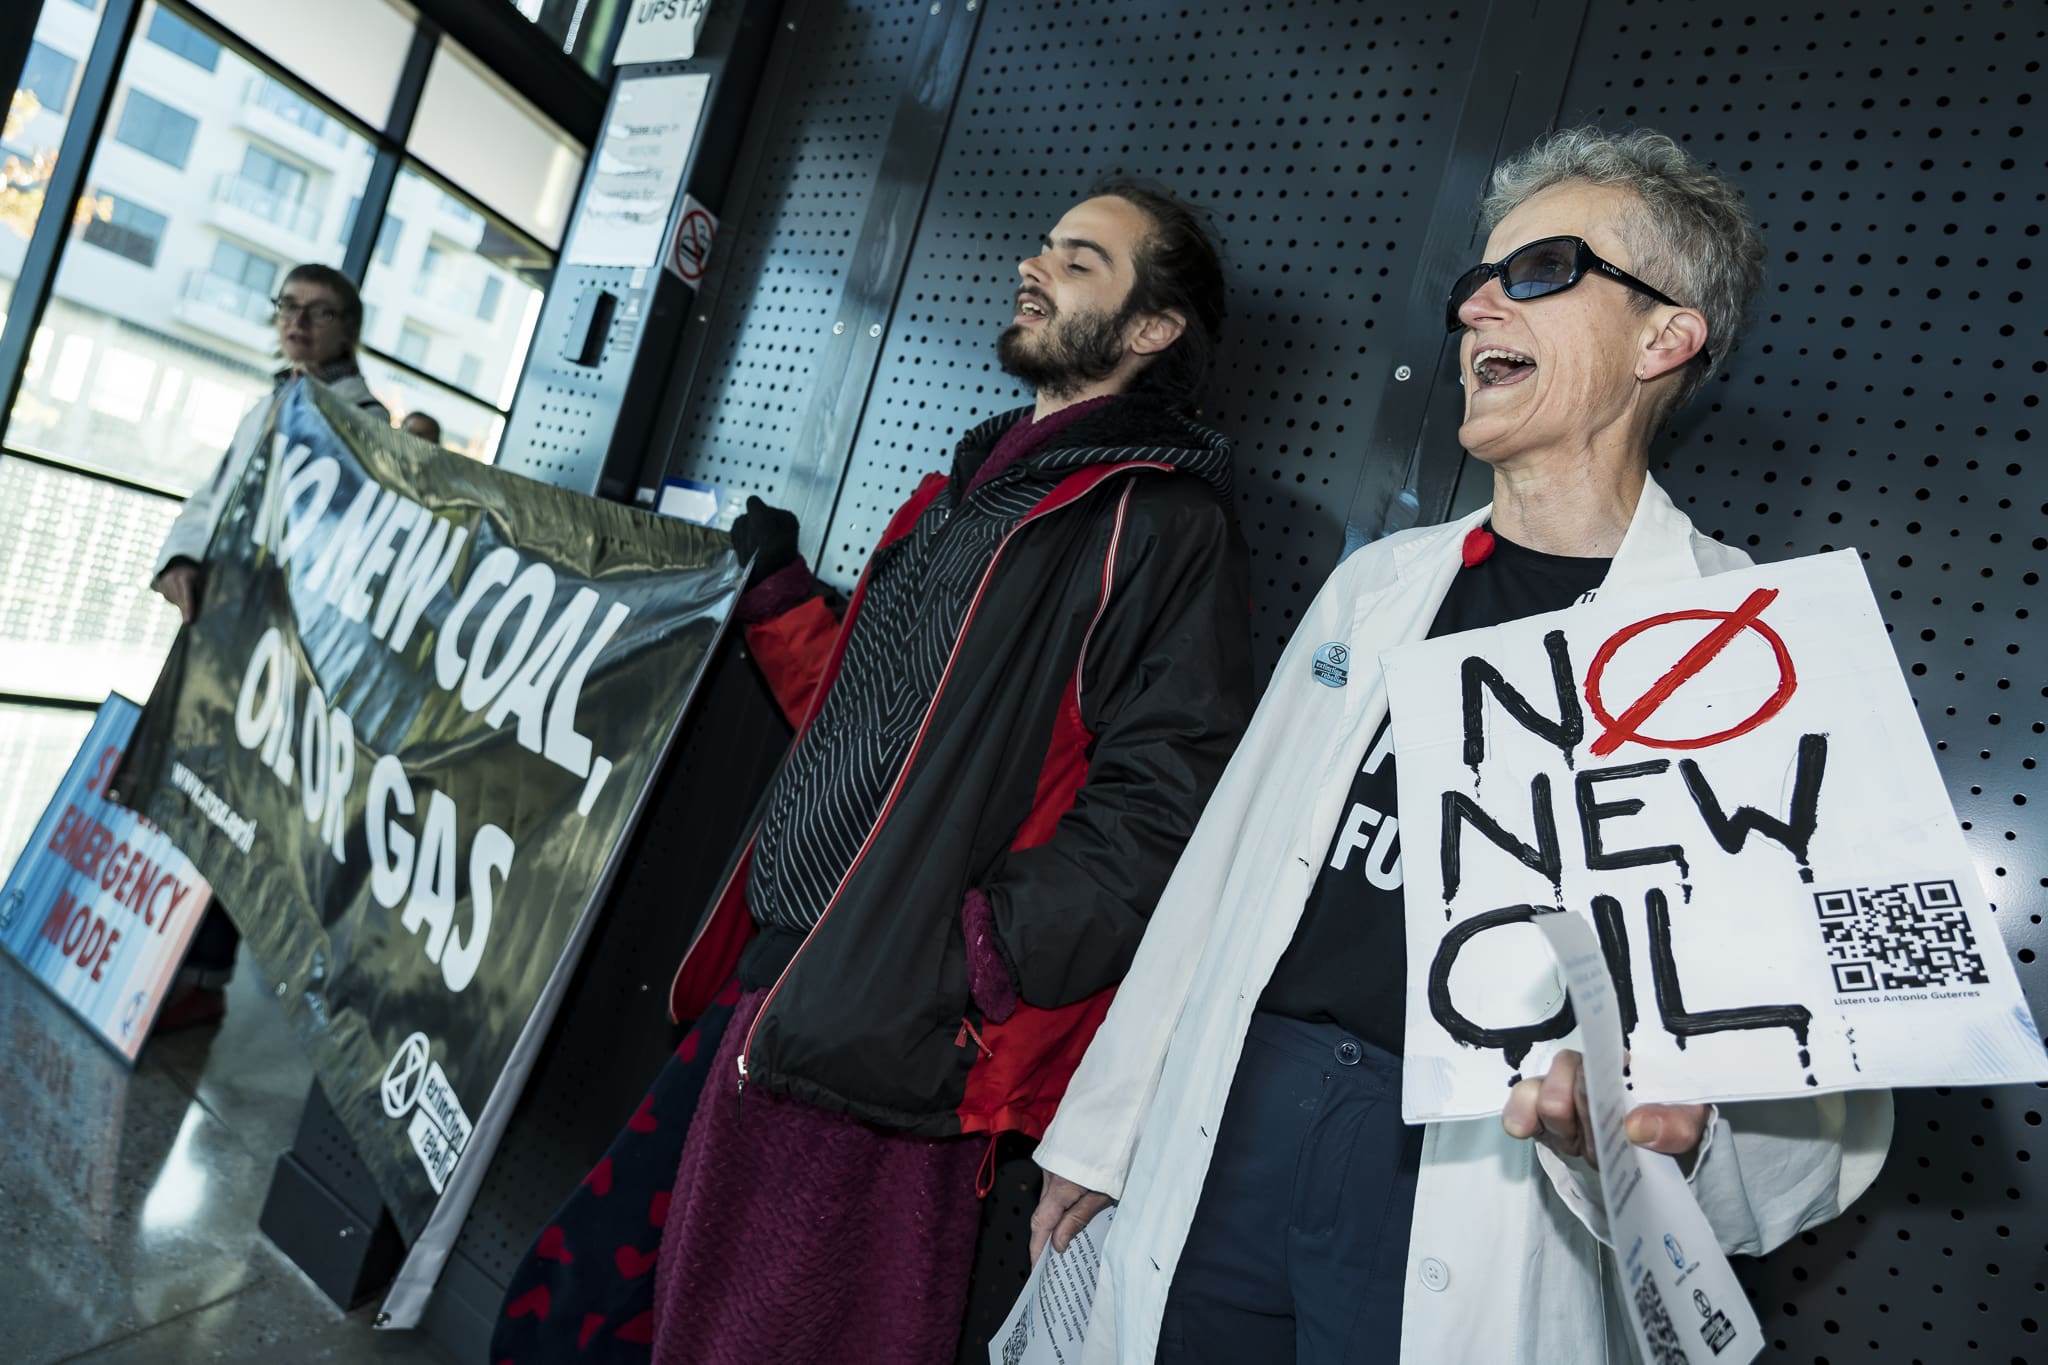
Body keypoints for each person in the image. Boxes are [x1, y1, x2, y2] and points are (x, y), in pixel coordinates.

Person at [1030, 129, 1894, 1364]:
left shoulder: (1756, 646)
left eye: (1540, 270)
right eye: (1474, 282)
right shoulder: (1376, 587)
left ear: (1666, 336)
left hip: (1480, 1174)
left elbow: (1831, 1080)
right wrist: (1101, 1132)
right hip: (1234, 1122)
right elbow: (1221, 873)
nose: (1477, 301)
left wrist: (1675, 1132)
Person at [491, 181, 1257, 1364]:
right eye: (1042, 241)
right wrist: (780, 599)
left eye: (1082, 260)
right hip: (777, 986)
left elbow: (1161, 810)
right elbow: (853, 718)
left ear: (1153, 328)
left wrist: (970, 959)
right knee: (576, 1312)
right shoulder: (955, 497)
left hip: (892, 1039)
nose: (1034, 265)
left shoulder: (1156, 522)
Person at [149, 263, 388, 1032]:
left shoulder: (366, 420)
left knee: (235, 805)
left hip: (284, 651)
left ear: (348, 327)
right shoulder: (271, 399)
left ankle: (205, 974)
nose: (299, 321)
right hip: (222, 624)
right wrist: (183, 558)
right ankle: (157, 962)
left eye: (319, 312)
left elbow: (355, 551)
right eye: (289, 306)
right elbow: (213, 494)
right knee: (190, 784)